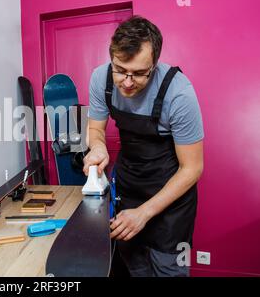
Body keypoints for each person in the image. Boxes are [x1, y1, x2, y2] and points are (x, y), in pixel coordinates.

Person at [83, 16, 204, 277]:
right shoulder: (100, 79)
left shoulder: (179, 93)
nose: (127, 82)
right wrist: (98, 147)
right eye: (120, 70)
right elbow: (95, 129)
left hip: (172, 202)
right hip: (129, 189)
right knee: (135, 266)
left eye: (138, 73)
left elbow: (192, 168)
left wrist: (144, 213)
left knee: (169, 270)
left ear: (155, 64)